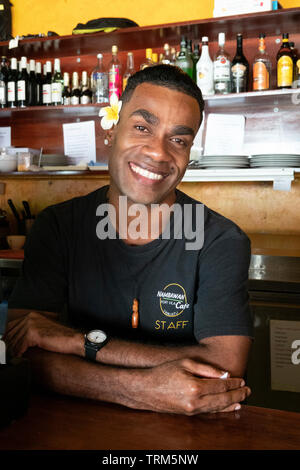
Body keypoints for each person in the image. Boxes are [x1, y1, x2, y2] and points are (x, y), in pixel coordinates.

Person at [4, 65, 253, 415]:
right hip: (71, 429)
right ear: (111, 133)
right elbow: (20, 349)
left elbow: (225, 368)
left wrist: (76, 343)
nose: (158, 152)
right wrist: (138, 388)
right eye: (142, 127)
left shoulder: (220, 240)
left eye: (178, 140)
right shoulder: (59, 226)